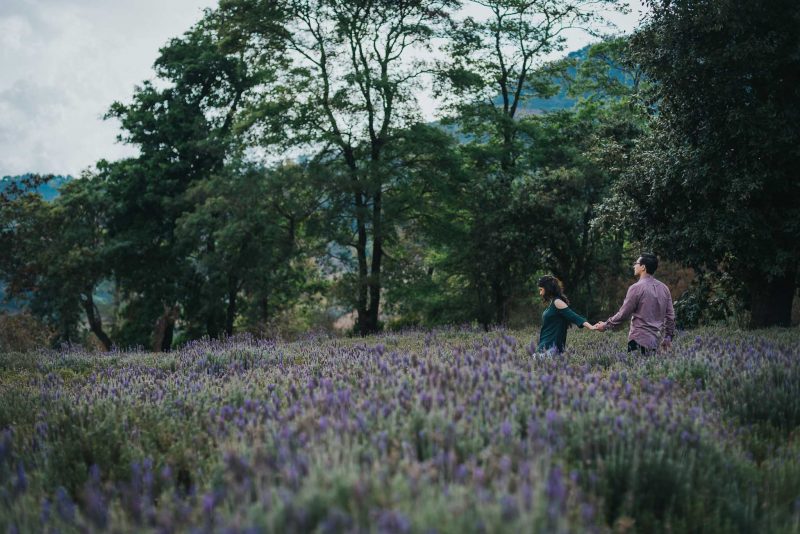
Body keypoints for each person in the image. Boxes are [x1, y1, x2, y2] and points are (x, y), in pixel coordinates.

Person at [595, 253, 675, 354]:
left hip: (638, 341)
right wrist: (668, 337)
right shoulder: (664, 288)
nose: (634, 266)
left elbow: (623, 314)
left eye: (636, 263)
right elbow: (670, 317)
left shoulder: (636, 288)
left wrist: (606, 325)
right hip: (657, 343)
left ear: (643, 267)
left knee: (636, 368)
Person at [536, 275, 595, 353]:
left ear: (547, 288)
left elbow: (575, 317)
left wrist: (591, 327)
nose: (540, 293)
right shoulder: (553, 302)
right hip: (544, 346)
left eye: (541, 289)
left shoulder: (557, 302)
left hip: (551, 348)